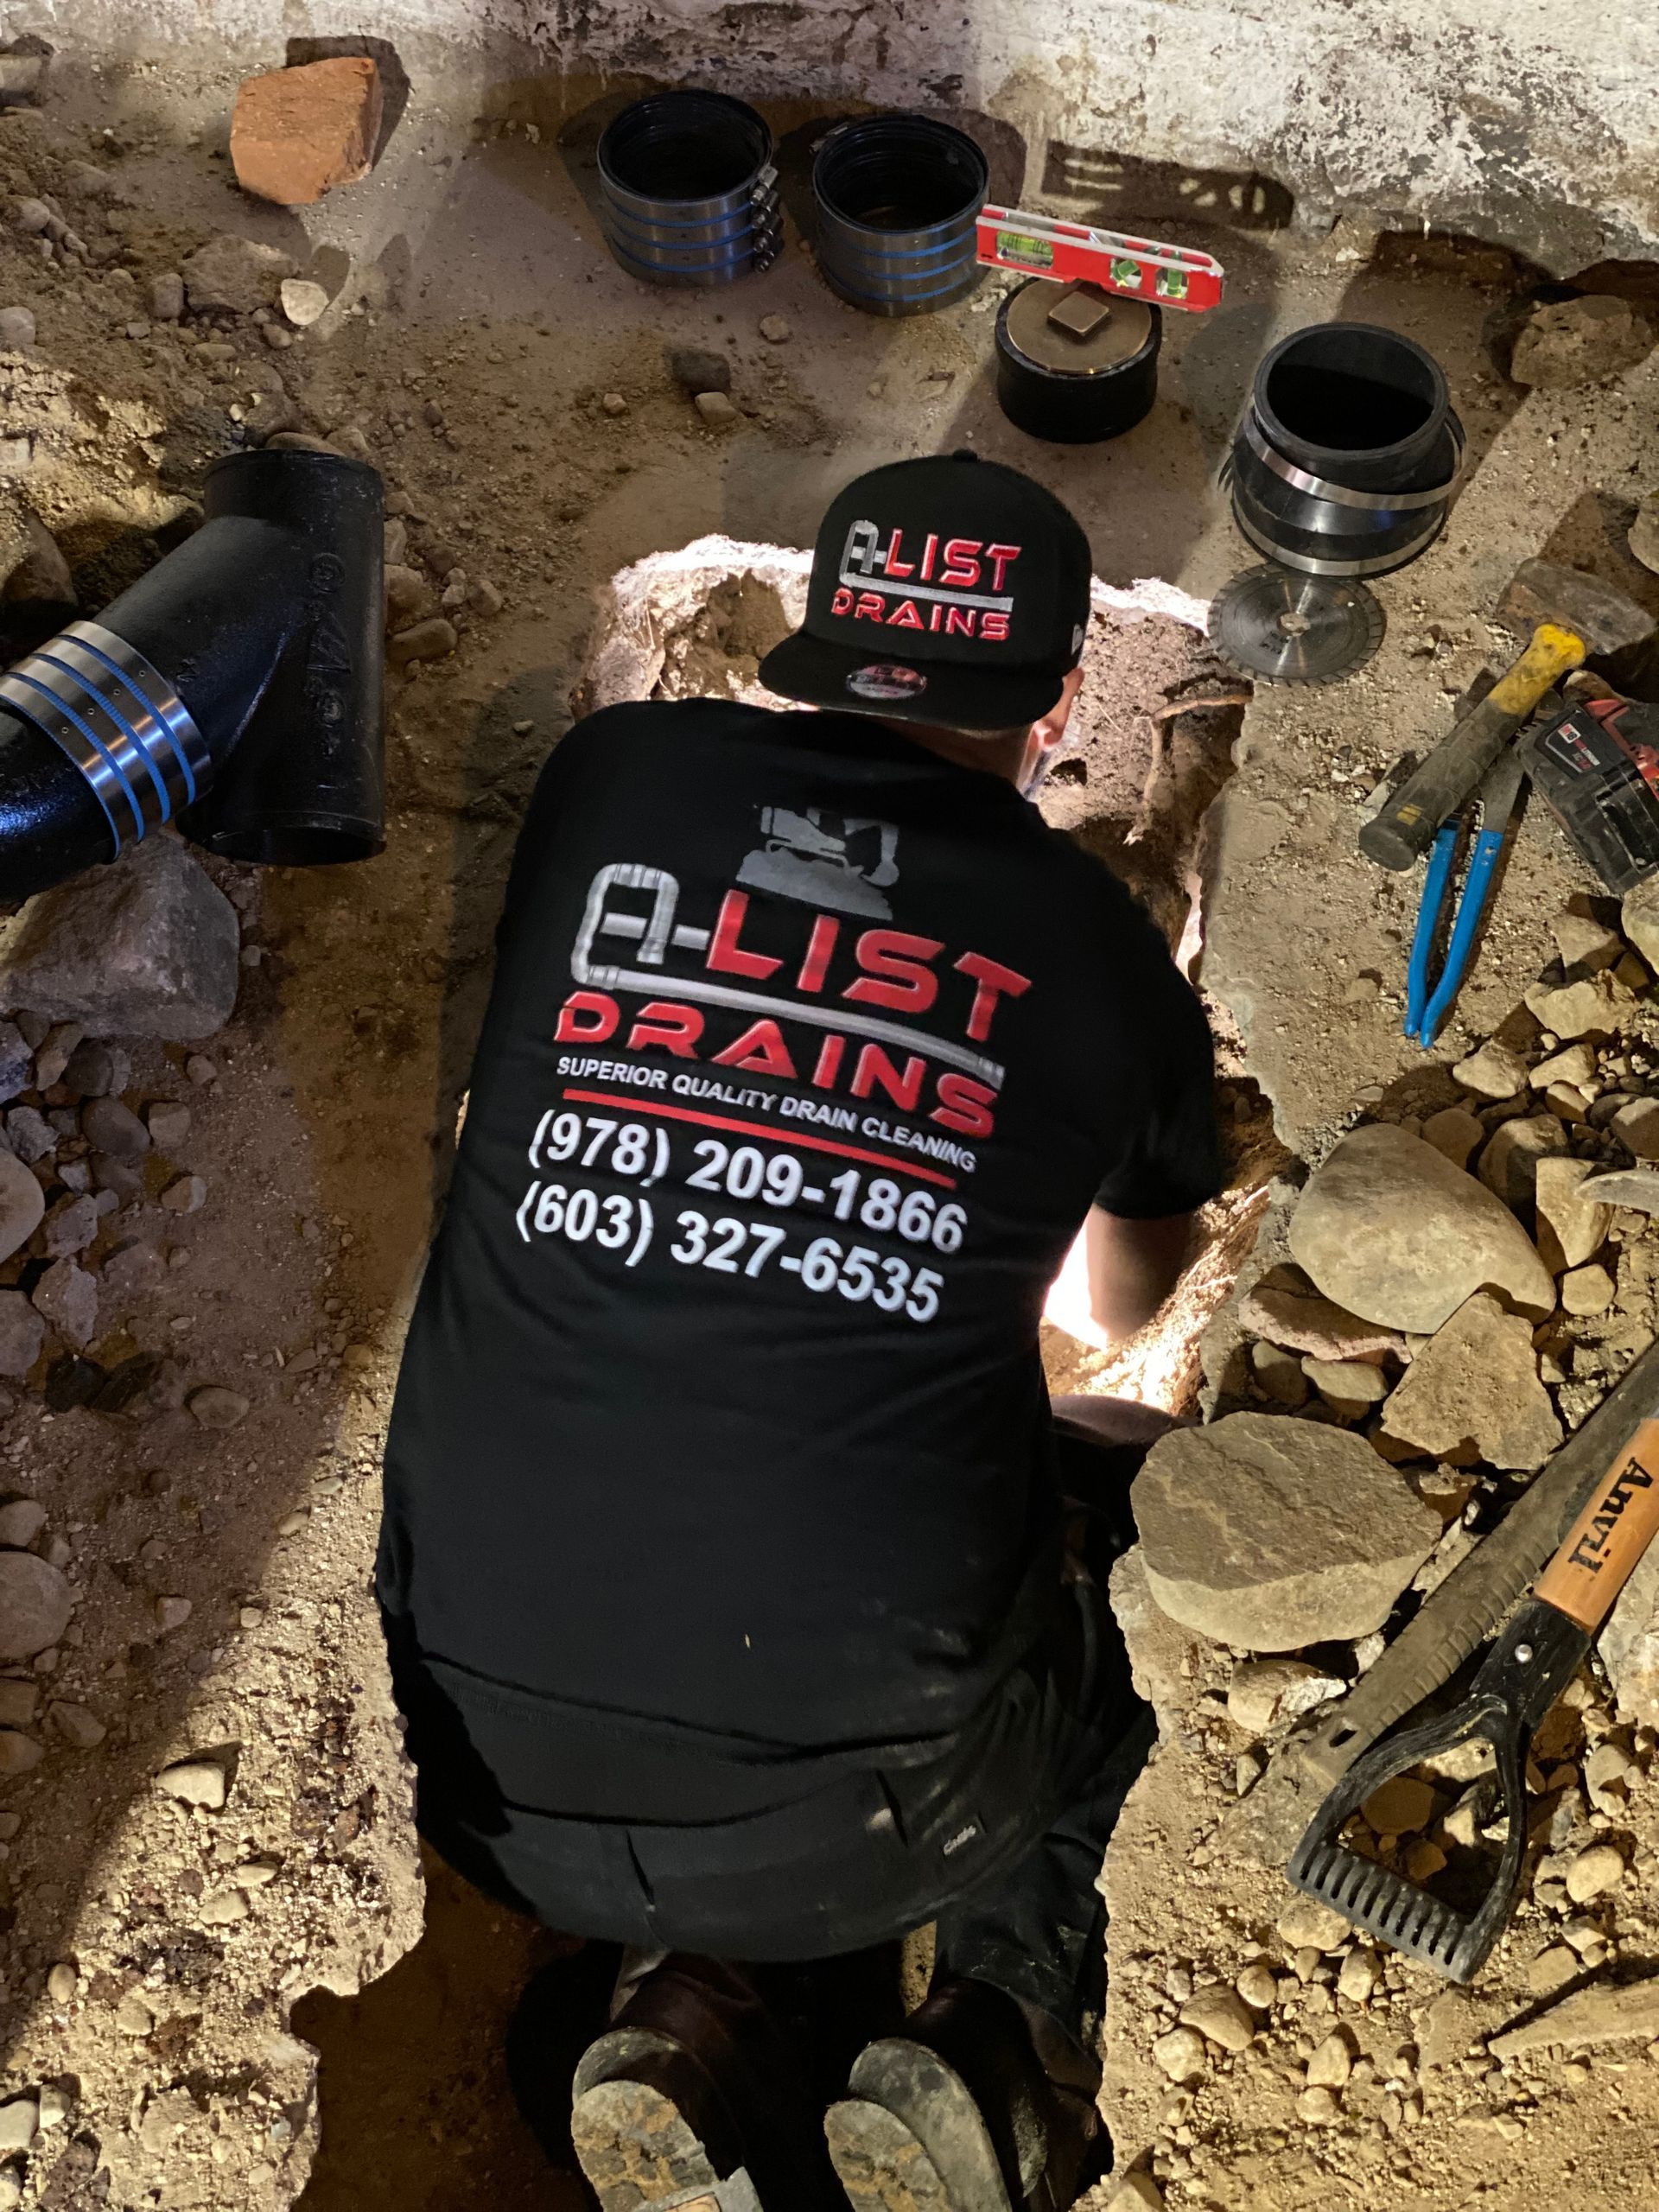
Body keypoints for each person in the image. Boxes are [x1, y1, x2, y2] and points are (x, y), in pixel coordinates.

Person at [377, 452, 1224, 2212]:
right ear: (1064, 702)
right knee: (1101, 1522)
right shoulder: (1097, 947)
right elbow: (1129, 1304)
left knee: (746, 1611)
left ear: (821, 642)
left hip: (478, 1769)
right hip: (886, 1807)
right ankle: (999, 2036)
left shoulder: (615, 777)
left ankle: (687, 2009)